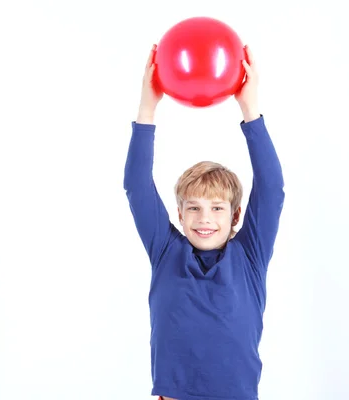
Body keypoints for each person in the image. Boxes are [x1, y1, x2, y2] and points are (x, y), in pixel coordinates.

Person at [124, 44, 285, 400]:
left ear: (236, 215)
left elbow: (271, 189)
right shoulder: (166, 251)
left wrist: (250, 109)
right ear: (179, 215)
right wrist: (148, 107)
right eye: (193, 208)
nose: (205, 219)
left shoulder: (250, 256)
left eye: (217, 208)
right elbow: (136, 186)